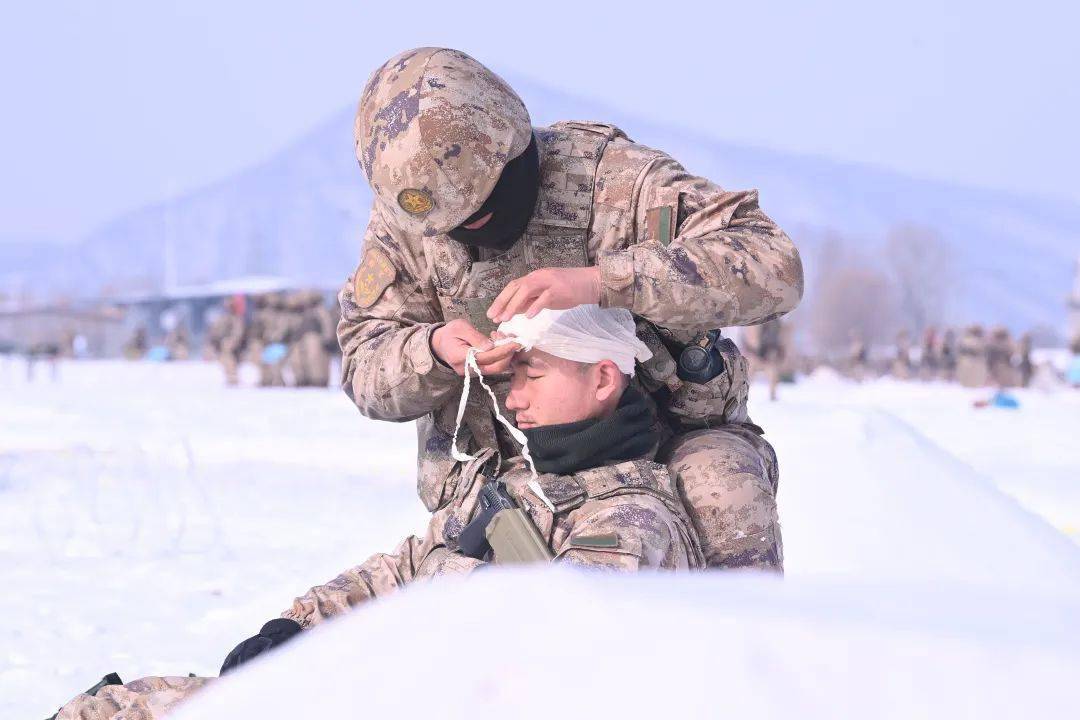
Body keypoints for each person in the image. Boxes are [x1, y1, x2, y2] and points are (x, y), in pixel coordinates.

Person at [52, 306, 704, 720]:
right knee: (115, 707)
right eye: (509, 377)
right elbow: (405, 567)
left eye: (534, 373)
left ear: (604, 378)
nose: (514, 395)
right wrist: (294, 628)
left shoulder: (630, 519)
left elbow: (541, 654)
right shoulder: (531, 486)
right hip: (381, 688)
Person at [339, 47, 800, 571]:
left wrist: (606, 282)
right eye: (455, 225)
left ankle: (740, 646)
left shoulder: (616, 183)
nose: (472, 231)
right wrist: (435, 351)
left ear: (512, 151)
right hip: (508, 462)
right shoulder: (410, 223)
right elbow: (364, 363)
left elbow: (774, 265)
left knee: (724, 489)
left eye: (485, 211)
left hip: (664, 441)